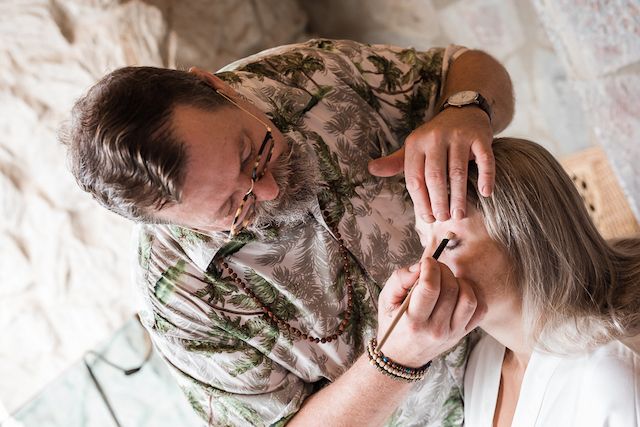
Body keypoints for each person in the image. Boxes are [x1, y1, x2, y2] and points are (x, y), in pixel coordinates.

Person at [61, 38, 514, 426]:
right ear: (171, 224)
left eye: (250, 154)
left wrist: (467, 108)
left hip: (523, 313)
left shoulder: (302, 77)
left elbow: (475, 69)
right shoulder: (177, 303)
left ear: (219, 88)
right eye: (234, 209)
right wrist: (395, 359)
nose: (269, 186)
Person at [416, 137, 640, 427]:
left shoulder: (608, 377)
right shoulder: (482, 362)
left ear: (526, 241)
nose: (426, 271)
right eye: (423, 242)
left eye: (450, 243)